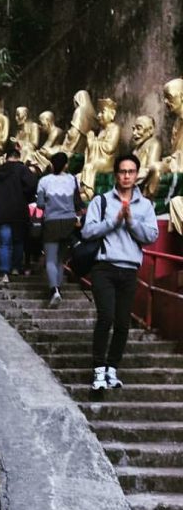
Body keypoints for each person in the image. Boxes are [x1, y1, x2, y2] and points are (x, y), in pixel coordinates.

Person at [81, 153, 159, 391]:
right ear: (116, 174)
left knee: (123, 323)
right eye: (122, 171)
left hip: (129, 269)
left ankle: (112, 368)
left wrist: (131, 222)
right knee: (106, 317)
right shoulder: (101, 201)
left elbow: (152, 235)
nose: (126, 176)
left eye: (131, 172)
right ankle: (98, 369)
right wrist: (114, 221)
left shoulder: (145, 205)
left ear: (137, 175)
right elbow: (87, 232)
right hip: (104, 267)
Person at [36, 152, 82, 307]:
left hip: (52, 222)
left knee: (50, 258)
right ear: (66, 165)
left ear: (51, 164)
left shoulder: (44, 181)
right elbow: (78, 202)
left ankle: (54, 290)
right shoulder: (72, 180)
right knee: (61, 260)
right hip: (69, 221)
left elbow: (40, 204)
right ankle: (59, 289)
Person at [0, 147, 38, 283]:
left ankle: (4, 273)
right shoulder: (22, 170)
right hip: (18, 211)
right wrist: (25, 196)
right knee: (18, 241)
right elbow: (32, 185)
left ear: (6, 158)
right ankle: (16, 268)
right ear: (18, 157)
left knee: (5, 243)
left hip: (1, 212)